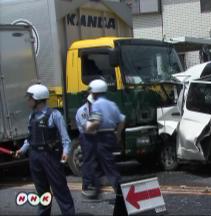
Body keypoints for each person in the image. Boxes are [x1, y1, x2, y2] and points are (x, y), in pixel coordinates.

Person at [15, 84, 75, 216]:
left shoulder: (54, 115)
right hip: (35, 156)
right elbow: (29, 138)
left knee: (59, 188)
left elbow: (66, 139)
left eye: (29, 98)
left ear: (37, 99)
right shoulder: (32, 116)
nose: (28, 101)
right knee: (41, 191)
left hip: (50, 156)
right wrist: (22, 150)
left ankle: (68, 213)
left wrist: (65, 154)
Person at [85, 79, 127, 215]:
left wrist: (88, 127)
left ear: (95, 92)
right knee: (96, 164)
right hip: (110, 135)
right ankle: (97, 189)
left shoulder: (96, 105)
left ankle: (121, 194)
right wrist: (118, 134)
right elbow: (122, 119)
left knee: (109, 168)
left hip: (100, 137)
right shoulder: (112, 104)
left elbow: (96, 122)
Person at [75, 94, 99, 198]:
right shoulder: (82, 111)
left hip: (95, 135)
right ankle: (86, 184)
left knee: (96, 160)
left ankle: (94, 182)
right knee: (88, 160)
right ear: (88, 103)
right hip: (86, 136)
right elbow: (87, 128)